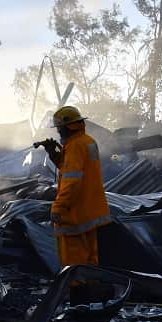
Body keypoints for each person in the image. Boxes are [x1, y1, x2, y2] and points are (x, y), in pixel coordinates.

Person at [35, 105, 112, 269]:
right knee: (90, 258)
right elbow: (72, 169)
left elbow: (72, 180)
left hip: (75, 213)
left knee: (74, 261)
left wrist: (58, 207)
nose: (58, 132)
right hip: (89, 211)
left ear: (68, 127)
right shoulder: (87, 142)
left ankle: (78, 291)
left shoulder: (75, 147)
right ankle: (91, 288)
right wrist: (53, 153)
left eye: (59, 129)